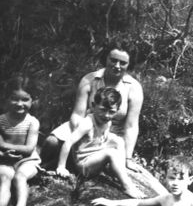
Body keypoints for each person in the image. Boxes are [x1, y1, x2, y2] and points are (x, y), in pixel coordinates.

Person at [41, 43, 143, 173]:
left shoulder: (134, 87)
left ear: (129, 64)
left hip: (111, 134)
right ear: (106, 58)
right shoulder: (89, 79)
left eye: (123, 63)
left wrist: (128, 158)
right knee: (52, 142)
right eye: (113, 60)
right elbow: (77, 114)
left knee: (111, 161)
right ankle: (42, 169)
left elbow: (131, 126)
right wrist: (82, 137)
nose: (117, 66)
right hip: (86, 126)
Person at [56, 87, 144, 199]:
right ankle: (126, 186)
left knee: (119, 140)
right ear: (93, 106)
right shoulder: (87, 124)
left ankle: (121, 174)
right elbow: (68, 142)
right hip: (84, 164)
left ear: (117, 111)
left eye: (111, 112)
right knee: (111, 153)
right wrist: (61, 167)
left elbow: (103, 138)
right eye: (102, 109)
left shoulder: (107, 122)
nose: (106, 115)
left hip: (95, 155)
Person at [0, 76, 41, 206]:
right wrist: (3, 154)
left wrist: (5, 145)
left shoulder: (32, 122)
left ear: (33, 100)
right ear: (6, 99)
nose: (19, 104)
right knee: (4, 176)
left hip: (28, 161)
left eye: (25, 100)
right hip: (6, 161)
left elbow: (29, 149)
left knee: (20, 177)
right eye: (14, 99)